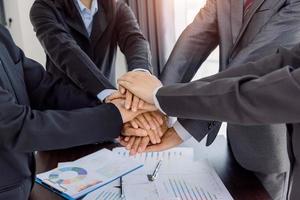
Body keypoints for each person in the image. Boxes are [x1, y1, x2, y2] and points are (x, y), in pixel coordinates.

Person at [120, 0, 300, 199]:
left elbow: (254, 64)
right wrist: (157, 110)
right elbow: (194, 40)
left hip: (269, 142)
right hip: (235, 137)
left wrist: (163, 102)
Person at [0, 25, 155, 199]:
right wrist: (114, 116)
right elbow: (17, 127)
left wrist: (116, 109)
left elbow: (43, 88)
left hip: (24, 183)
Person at [30, 0, 165, 146]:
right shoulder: (44, 7)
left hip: (108, 116)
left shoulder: (116, 5)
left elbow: (134, 40)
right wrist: (112, 97)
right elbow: (66, 50)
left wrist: (140, 79)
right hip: (65, 118)